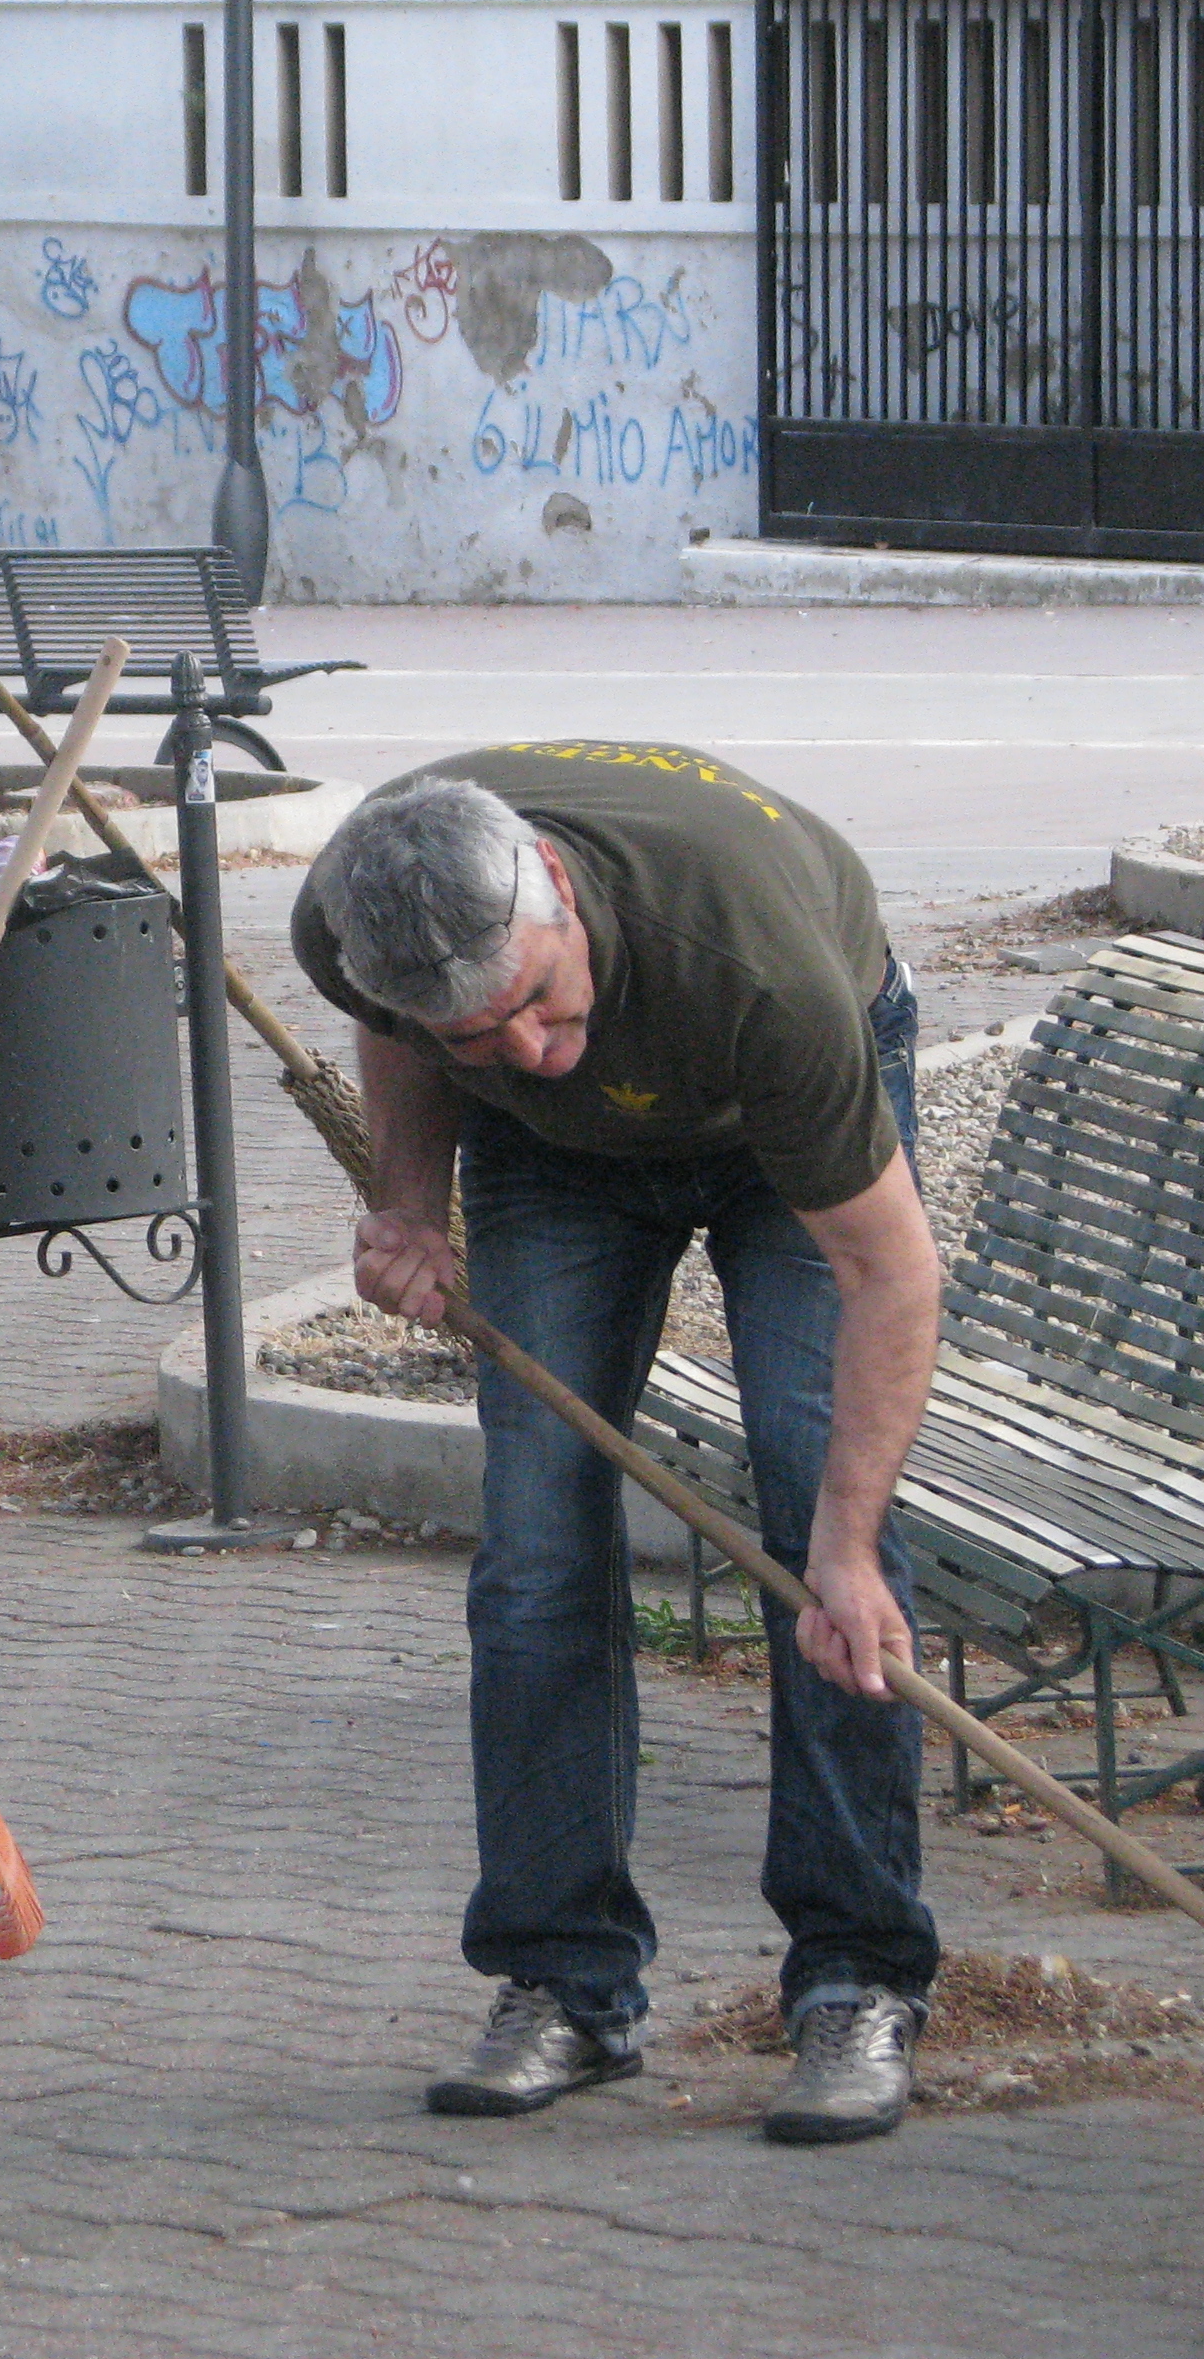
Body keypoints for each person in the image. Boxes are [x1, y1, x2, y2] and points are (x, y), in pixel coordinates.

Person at [289, 741, 944, 2147]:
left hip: (772, 1123)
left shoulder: (758, 964)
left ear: (564, 901)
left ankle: (858, 1979)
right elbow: (411, 1051)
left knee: (818, 1535)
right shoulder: (357, 930)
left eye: (533, 1001)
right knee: (533, 1550)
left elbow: (891, 1279)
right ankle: (563, 1980)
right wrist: (410, 1204)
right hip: (557, 1164)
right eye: (481, 1037)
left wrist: (844, 1546)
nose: (525, 1046)